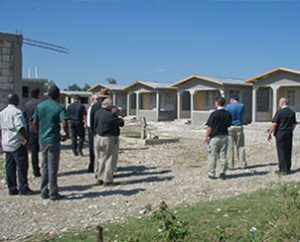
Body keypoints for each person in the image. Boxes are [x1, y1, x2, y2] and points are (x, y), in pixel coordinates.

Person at [33, 85, 70, 200]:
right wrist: (67, 134)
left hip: (43, 139)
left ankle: (44, 190)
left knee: (44, 165)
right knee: (53, 167)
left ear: (48, 95)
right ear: (58, 96)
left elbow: (35, 122)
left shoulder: (40, 106)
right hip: (53, 139)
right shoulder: (59, 107)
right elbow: (64, 122)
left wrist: (39, 133)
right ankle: (53, 192)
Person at [0, 93, 33, 195]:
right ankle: (23, 188)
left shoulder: (2, 113)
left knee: (9, 166)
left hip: (6, 142)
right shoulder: (16, 112)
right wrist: (26, 137)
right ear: (15, 100)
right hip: (16, 142)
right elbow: (19, 127)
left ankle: (12, 188)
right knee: (22, 166)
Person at [94, 98, 124, 185]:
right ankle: (108, 180)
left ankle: (99, 177)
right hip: (108, 138)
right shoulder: (110, 115)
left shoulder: (98, 112)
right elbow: (121, 123)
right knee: (110, 159)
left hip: (99, 137)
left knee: (102, 158)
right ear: (109, 106)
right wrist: (117, 114)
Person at [267, 97, 297, 175]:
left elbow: (274, 124)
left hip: (281, 133)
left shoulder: (279, 112)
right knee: (288, 150)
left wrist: (270, 133)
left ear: (283, 103)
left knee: (281, 151)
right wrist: (290, 130)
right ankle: (288, 167)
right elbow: (294, 124)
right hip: (289, 133)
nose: (279, 104)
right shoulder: (292, 112)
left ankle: (283, 169)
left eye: (279, 102)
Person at [204, 96, 232, 180]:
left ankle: (211, 173)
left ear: (216, 103)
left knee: (212, 156)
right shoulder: (228, 114)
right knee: (223, 155)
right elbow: (229, 124)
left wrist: (206, 136)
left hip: (215, 137)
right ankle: (222, 172)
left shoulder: (214, 114)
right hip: (224, 136)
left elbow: (210, 127)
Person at [89, 89, 111, 174]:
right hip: (106, 133)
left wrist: (93, 131)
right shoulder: (108, 107)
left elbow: (91, 121)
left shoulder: (94, 106)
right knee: (106, 155)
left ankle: (95, 170)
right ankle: (105, 172)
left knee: (97, 153)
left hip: (96, 132)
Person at [225, 94, 247, 169]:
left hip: (230, 126)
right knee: (240, 146)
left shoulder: (228, 106)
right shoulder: (242, 106)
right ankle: (242, 164)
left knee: (230, 147)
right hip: (239, 126)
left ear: (232, 99)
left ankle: (231, 165)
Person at [24, 88, 42, 177]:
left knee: (34, 152)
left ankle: (35, 170)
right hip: (40, 128)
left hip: (30, 129)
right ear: (38, 94)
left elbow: (26, 117)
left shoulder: (27, 104)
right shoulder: (40, 104)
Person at [86, 94, 98, 173]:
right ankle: (92, 165)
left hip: (90, 128)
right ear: (93, 100)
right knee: (93, 149)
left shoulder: (92, 108)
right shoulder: (93, 108)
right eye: (97, 99)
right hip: (91, 129)